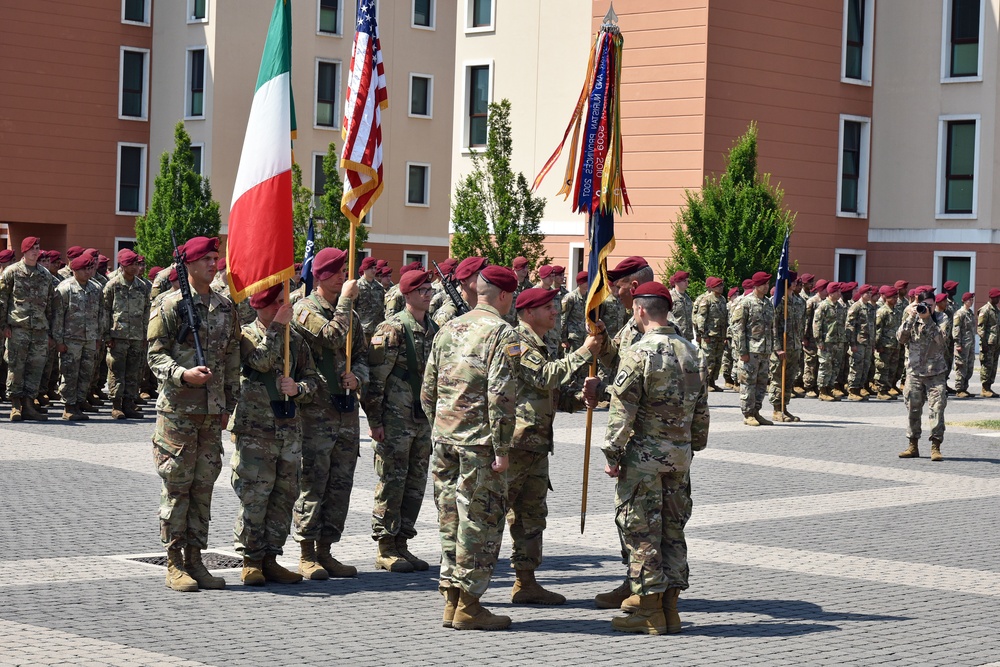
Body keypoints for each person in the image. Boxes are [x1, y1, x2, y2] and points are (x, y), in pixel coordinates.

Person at [602, 281, 708, 635]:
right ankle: (670, 610)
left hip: (644, 460)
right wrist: (692, 444)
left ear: (640, 310)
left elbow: (623, 408)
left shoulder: (638, 352)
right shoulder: (692, 351)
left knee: (642, 531)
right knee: (673, 532)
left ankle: (648, 611)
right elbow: (701, 411)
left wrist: (612, 452)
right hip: (679, 458)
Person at [422, 265, 519, 631]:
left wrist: (440, 427)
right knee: (481, 522)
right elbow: (501, 395)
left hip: (445, 439)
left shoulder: (449, 327)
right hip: (479, 445)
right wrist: (502, 446)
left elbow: (428, 388)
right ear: (505, 296)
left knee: (450, 518)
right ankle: (470, 605)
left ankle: (451, 599)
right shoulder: (501, 332)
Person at [147, 236, 241, 592]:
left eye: (216, 258)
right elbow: (155, 355)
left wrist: (227, 407)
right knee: (177, 485)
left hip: (211, 412)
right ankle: (174, 562)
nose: (213, 264)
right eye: (206, 259)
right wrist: (182, 374)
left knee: (203, 487)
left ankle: (196, 559)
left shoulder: (224, 306)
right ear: (188, 264)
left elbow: (232, 360)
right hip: (178, 411)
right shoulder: (169, 305)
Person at [508, 287, 601, 605]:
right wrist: (584, 353)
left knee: (531, 516)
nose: (554, 311)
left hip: (536, 445)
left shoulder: (540, 343)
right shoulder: (517, 343)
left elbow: (550, 395)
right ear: (528, 312)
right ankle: (466, 589)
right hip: (516, 444)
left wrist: (582, 399)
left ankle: (526, 582)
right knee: (490, 516)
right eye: (547, 307)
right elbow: (545, 378)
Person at [230, 283, 318, 586]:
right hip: (256, 430)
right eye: (277, 303)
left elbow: (313, 379)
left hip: (288, 430)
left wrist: (299, 389)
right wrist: (277, 327)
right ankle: (251, 559)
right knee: (255, 494)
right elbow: (260, 362)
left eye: (284, 302)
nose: (284, 307)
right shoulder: (245, 335)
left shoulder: (295, 339)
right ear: (260, 305)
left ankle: (272, 557)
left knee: (285, 494)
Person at [291, 247, 368, 580]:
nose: (343, 276)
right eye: (337, 271)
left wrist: (359, 376)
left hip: (345, 411)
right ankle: (307, 552)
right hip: (316, 412)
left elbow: (363, 355)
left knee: (340, 484)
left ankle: (327, 549)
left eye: (344, 271)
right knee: (314, 481)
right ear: (320, 275)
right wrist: (347, 302)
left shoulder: (347, 311)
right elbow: (331, 336)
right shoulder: (305, 309)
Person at [362, 269, 438, 574]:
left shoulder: (433, 327)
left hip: (421, 420)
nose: (428, 295)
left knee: (415, 484)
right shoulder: (392, 329)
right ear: (407, 295)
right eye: (422, 290)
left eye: (430, 290)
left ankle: (402, 542)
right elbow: (374, 381)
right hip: (395, 421)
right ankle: (385, 546)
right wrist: (375, 420)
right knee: (392, 482)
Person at [0, 237, 54, 422]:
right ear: (24, 251)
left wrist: (50, 331)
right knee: (16, 366)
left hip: (39, 328)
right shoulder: (12, 272)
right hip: (18, 327)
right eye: (31, 249)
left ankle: (29, 405)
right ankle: (15, 405)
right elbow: (2, 301)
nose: (35, 251)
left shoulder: (45, 274)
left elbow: (50, 305)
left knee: (36, 367)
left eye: (37, 248)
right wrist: (3, 326)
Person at [897, 287, 949, 461]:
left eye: (930, 305)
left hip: (936, 373)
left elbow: (941, 340)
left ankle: (935, 446)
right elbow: (901, 339)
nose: (926, 308)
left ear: (935, 305)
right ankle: (913, 445)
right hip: (914, 372)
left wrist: (928, 321)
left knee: (937, 409)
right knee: (913, 409)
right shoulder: (911, 317)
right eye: (923, 305)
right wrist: (912, 317)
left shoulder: (942, 318)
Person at [51, 253, 103, 421]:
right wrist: (59, 341)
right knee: (70, 373)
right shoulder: (65, 288)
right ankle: (68, 406)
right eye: (85, 269)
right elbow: (58, 317)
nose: (89, 272)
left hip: (89, 338)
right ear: (75, 270)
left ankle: (79, 403)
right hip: (70, 339)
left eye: (90, 268)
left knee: (86, 373)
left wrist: (98, 338)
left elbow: (100, 315)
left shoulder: (95, 289)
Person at [104, 249, 150, 419]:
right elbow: (106, 311)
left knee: (134, 372)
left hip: (137, 336)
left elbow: (147, 311)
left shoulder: (142, 286)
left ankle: (129, 404)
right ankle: (116, 405)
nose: (136, 268)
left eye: (137, 264)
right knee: (117, 370)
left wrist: (146, 334)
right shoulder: (113, 285)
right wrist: (107, 336)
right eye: (132, 264)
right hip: (118, 336)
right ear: (123, 266)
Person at [732, 272, 776, 424]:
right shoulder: (745, 303)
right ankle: (748, 414)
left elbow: (772, 328)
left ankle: (756, 412)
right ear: (757, 285)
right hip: (750, 350)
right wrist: (742, 351)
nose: (767, 286)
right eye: (764, 284)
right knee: (748, 383)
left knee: (761, 383)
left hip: (764, 350)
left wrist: (773, 348)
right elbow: (738, 329)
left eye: (768, 284)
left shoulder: (768, 303)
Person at [769, 272, 804, 421]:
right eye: (793, 281)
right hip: (781, 348)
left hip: (794, 346)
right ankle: (777, 409)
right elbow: (773, 326)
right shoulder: (778, 301)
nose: (795, 283)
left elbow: (802, 324)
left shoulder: (799, 301)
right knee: (778, 378)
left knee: (789, 379)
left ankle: (785, 407)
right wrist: (777, 348)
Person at [813, 281, 848, 402]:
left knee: (835, 366)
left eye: (839, 291)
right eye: (837, 291)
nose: (839, 294)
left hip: (839, 341)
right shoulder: (823, 306)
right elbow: (817, 324)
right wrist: (819, 341)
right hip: (827, 341)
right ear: (830, 293)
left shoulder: (840, 306)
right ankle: (822, 390)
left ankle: (830, 388)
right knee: (825, 365)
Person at [693, 276, 728, 392]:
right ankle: (705, 383)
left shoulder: (722, 299)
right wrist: (703, 334)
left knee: (718, 362)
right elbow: (701, 318)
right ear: (712, 287)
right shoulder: (706, 300)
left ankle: (712, 382)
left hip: (720, 336)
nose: (721, 287)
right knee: (708, 361)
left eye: (722, 285)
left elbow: (725, 318)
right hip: (709, 336)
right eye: (719, 285)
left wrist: (726, 335)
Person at [433, 256, 485, 327]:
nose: (484, 279)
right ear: (463, 280)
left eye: (485, 275)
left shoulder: (488, 309)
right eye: (478, 275)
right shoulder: (447, 314)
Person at [845, 284, 876, 401]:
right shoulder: (856, 307)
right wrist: (852, 343)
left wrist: (873, 343)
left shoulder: (871, 307)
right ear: (862, 294)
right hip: (858, 342)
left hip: (868, 342)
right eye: (867, 293)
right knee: (856, 366)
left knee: (865, 366)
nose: (869, 295)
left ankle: (859, 388)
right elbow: (850, 326)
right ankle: (852, 390)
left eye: (870, 293)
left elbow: (873, 326)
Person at [952, 292, 977, 398]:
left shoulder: (970, 313)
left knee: (969, 367)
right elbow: (956, 329)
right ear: (964, 301)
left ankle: (965, 388)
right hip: (962, 345)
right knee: (961, 366)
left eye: (972, 300)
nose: (971, 301)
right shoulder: (960, 313)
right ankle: (959, 389)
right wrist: (957, 343)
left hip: (969, 344)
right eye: (969, 300)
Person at [356, 256, 385, 339]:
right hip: (362, 329)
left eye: (375, 268)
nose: (373, 270)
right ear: (364, 269)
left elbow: (382, 307)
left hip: (378, 329)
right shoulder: (357, 286)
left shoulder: (379, 287)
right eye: (371, 268)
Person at [978, 289, 1000, 397]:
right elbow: (981, 328)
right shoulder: (985, 310)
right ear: (991, 297)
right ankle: (984, 388)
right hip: (988, 343)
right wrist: (983, 344)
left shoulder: (997, 310)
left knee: (993, 366)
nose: (998, 299)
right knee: (987, 365)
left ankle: (989, 387)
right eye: (997, 297)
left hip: (996, 343)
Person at [667, 270, 694, 341]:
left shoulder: (687, 298)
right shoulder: (670, 297)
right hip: (675, 336)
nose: (687, 283)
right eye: (684, 281)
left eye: (687, 280)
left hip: (687, 336)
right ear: (677, 282)